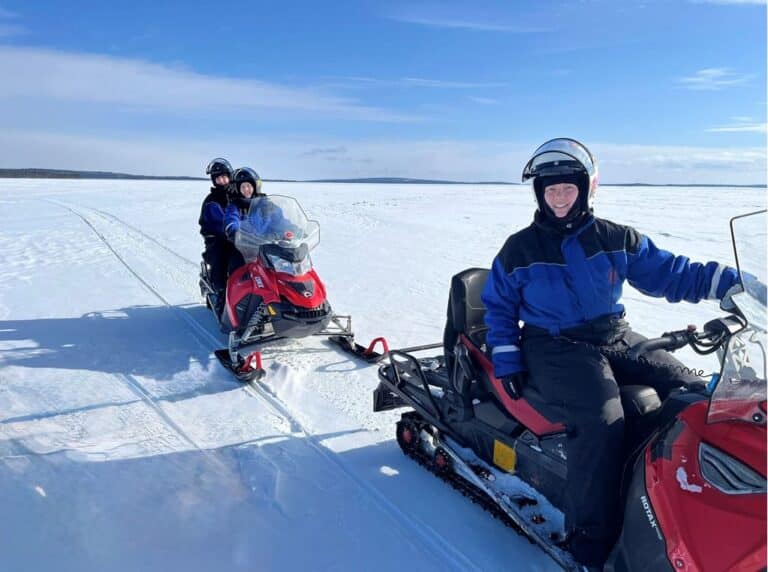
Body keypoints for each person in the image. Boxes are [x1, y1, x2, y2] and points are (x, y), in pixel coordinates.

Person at [480, 138, 741, 569]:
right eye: (551, 190)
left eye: (568, 189)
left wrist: (730, 285)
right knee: (604, 420)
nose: (560, 198)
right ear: (540, 193)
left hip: (613, 334)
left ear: (586, 189)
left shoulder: (615, 238)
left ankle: (675, 499)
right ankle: (590, 540)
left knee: (691, 392)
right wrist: (507, 357)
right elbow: (500, 306)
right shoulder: (519, 250)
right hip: (553, 343)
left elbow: (671, 274)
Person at [199, 158, 234, 301]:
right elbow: (211, 223)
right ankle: (220, 292)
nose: (222, 181)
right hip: (219, 240)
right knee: (221, 259)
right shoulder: (211, 201)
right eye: (218, 178)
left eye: (224, 177)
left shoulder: (238, 195)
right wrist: (220, 233)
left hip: (243, 239)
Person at [223, 167, 266, 273]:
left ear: (254, 186)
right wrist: (234, 230)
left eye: (249, 186)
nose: (246, 189)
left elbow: (277, 216)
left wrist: (291, 227)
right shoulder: (235, 206)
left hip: (265, 244)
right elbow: (231, 218)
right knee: (237, 269)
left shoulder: (264, 203)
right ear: (238, 189)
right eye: (243, 187)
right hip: (243, 247)